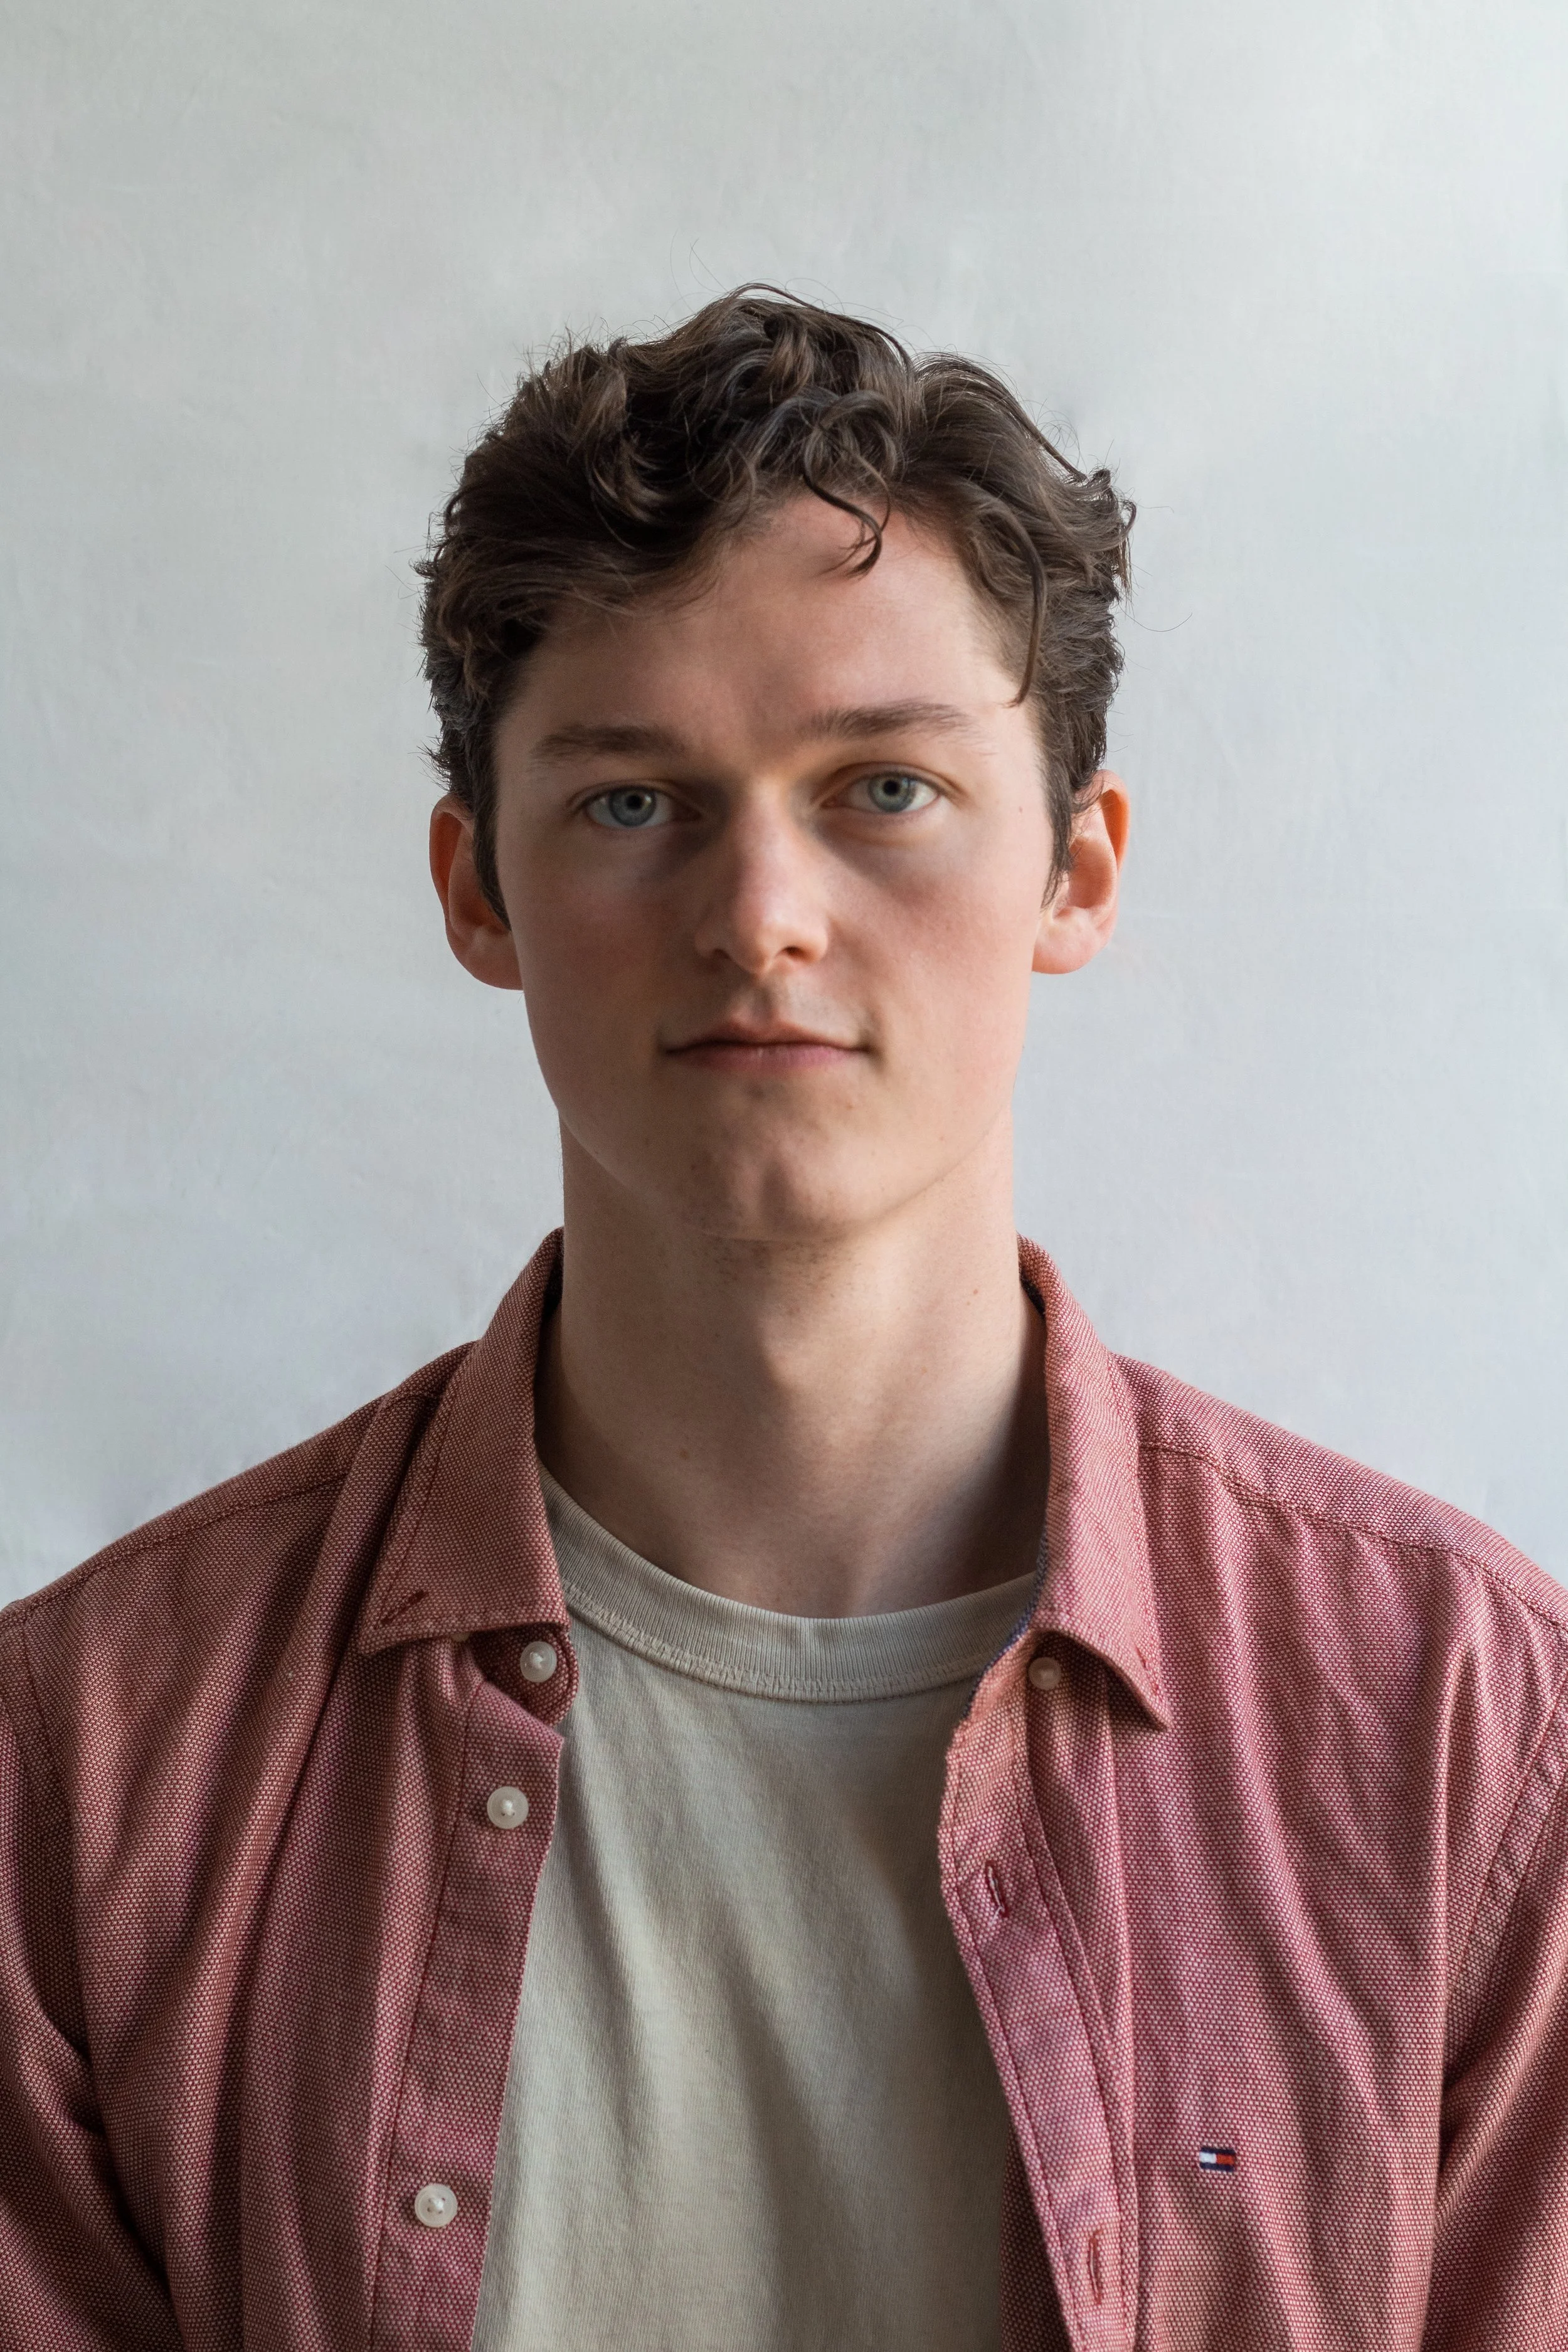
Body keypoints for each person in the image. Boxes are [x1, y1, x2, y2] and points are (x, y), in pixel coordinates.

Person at [2, 289, 1564, 2352]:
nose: (762, 915)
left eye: (884, 790)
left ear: (1073, 874)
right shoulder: (94, 1761)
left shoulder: (1456, 1733)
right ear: (477, 888)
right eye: (634, 800)